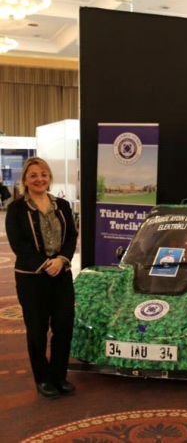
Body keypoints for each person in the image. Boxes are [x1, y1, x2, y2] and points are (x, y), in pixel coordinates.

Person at [5, 157, 78, 400]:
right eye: (34, 175)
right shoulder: (17, 209)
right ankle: (43, 379)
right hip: (32, 278)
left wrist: (62, 260)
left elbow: (71, 237)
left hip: (61, 275)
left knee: (64, 326)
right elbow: (19, 245)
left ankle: (59, 376)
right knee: (37, 330)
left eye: (44, 174)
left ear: (49, 177)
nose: (40, 179)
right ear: (25, 180)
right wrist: (45, 264)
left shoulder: (62, 205)